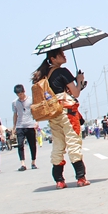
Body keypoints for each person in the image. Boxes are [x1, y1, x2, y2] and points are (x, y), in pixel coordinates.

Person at [31, 48, 89, 188]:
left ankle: (59, 180)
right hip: (67, 112)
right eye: (61, 54)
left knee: (58, 145)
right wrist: (79, 81)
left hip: (54, 113)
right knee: (73, 142)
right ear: (53, 59)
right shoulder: (63, 72)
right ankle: (81, 177)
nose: (64, 56)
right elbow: (75, 93)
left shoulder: (45, 75)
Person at [11, 84, 38, 171]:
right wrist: (14, 126)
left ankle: (33, 162)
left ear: (24, 91)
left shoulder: (31, 100)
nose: (20, 96)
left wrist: (36, 122)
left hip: (30, 125)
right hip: (20, 125)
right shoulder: (15, 102)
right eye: (18, 94)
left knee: (32, 145)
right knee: (20, 144)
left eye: (21, 94)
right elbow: (15, 114)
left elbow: (35, 111)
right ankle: (23, 163)